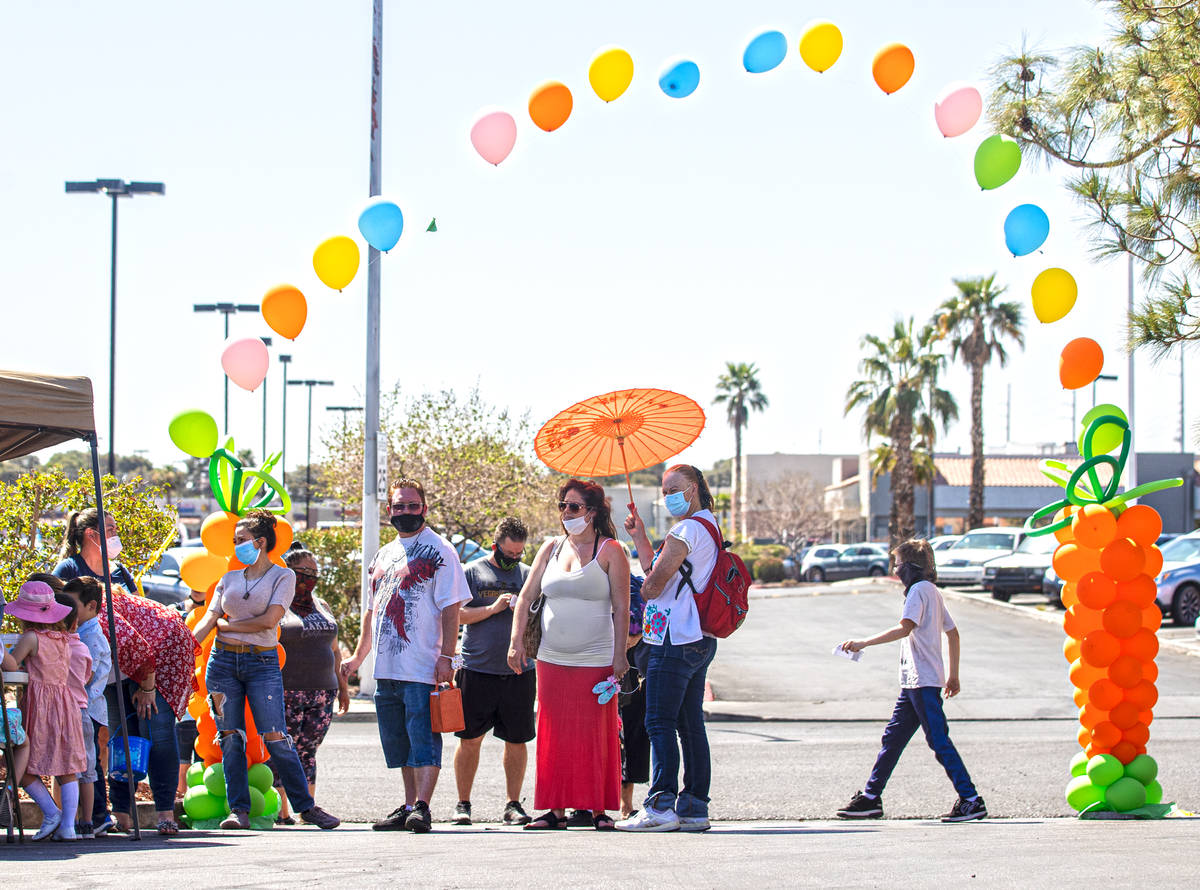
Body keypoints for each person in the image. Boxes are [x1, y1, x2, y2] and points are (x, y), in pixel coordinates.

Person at [53, 507, 200, 836]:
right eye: (110, 529)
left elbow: (141, 649)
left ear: (89, 606)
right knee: (121, 737)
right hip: (118, 664)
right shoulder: (74, 595)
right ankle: (122, 813)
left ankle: (165, 813)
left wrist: (147, 689)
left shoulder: (99, 615)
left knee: (158, 732)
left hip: (160, 652)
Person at [191, 510, 340, 831]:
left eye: (241, 541)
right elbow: (207, 620)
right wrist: (187, 646)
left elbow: (270, 620)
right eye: (233, 542)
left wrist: (225, 626)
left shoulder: (282, 576)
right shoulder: (229, 579)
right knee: (229, 738)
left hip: (262, 664)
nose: (236, 547)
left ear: (260, 542)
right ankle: (238, 811)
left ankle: (307, 807)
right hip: (222, 664)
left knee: (276, 737)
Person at [342, 479, 472, 833]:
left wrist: (448, 656)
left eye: (413, 506)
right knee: (399, 741)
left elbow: (451, 608)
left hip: (422, 666)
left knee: (424, 737)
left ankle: (424, 807)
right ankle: (409, 804)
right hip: (387, 668)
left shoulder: (441, 550)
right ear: (390, 510)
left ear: (424, 509)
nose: (406, 512)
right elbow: (372, 612)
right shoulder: (383, 554)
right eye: (399, 506)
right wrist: (357, 659)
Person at [506, 479, 630, 831]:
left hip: (596, 659)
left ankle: (599, 809)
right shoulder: (550, 547)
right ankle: (553, 809)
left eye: (573, 507)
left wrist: (620, 656)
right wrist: (516, 642)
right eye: (562, 505)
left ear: (592, 512)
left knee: (596, 734)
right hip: (551, 658)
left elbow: (622, 608)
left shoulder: (611, 550)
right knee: (553, 733)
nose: (566, 513)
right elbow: (526, 598)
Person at [835, 539, 987, 823]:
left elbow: (906, 628)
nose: (894, 569)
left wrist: (862, 642)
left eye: (897, 564)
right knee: (892, 739)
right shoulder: (932, 591)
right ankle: (870, 798)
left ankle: (970, 799)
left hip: (923, 681)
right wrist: (953, 675)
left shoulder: (918, 591)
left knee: (939, 741)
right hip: (915, 682)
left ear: (910, 568)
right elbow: (952, 633)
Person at [617, 464, 720, 833]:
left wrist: (641, 589)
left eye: (674, 488)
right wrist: (641, 537)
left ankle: (661, 803)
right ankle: (694, 806)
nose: (668, 496)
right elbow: (659, 570)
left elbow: (653, 584)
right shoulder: (709, 525)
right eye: (664, 490)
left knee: (658, 720)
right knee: (690, 723)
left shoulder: (687, 529)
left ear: (693, 488)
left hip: (673, 639)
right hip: (697, 637)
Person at [451, 516, 535, 827]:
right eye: (508, 553)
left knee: (517, 739)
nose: (513, 559)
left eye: (519, 554)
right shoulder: (472, 572)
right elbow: (456, 615)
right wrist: (492, 608)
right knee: (470, 739)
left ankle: (513, 804)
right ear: (494, 546)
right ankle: (463, 804)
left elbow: (540, 616)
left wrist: (525, 609)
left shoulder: (528, 575)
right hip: (478, 669)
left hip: (519, 672)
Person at [1, 581, 89, 841]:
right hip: (65, 705)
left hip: (40, 706)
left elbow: (11, 665)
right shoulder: (63, 638)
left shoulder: (31, 638)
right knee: (67, 768)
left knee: (26, 766)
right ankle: (68, 827)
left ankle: (51, 813)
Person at [271, 542, 351, 825]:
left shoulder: (322, 605)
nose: (311, 577)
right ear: (289, 572)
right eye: (304, 571)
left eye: (315, 571)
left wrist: (342, 687)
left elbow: (335, 648)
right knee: (285, 748)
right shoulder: (277, 604)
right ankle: (282, 811)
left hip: (322, 690)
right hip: (286, 688)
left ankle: (309, 807)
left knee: (309, 749)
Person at [61, 578, 112, 840]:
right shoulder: (83, 630)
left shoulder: (90, 635)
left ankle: (93, 818)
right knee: (85, 766)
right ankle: (88, 818)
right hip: (84, 707)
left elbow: (87, 674)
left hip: (87, 708)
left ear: (91, 605)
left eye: (72, 605)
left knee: (87, 768)